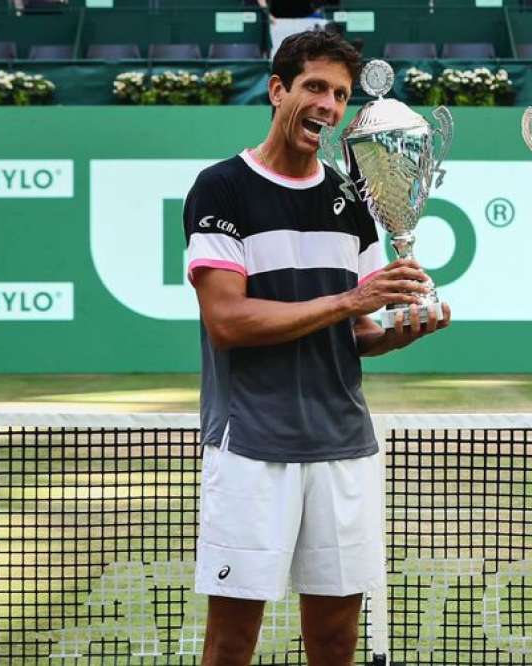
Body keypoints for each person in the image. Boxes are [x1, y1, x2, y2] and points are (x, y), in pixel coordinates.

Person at [183, 30, 449, 665]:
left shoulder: (353, 201)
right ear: (279, 91)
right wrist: (350, 303)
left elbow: (355, 335)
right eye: (315, 88)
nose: (328, 105)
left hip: (341, 448)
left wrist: (397, 332)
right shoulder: (220, 188)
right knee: (230, 644)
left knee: (334, 642)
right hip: (250, 446)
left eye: (340, 94)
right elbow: (227, 319)